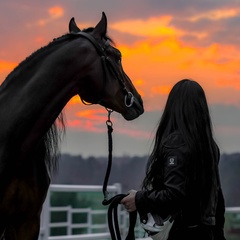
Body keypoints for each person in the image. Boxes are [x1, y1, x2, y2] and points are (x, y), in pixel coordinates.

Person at [121, 79, 226, 240]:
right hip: (207, 232)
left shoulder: (177, 144)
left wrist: (139, 199)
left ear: (174, 107)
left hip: (182, 232)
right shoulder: (209, 146)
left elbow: (174, 194)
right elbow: (217, 198)